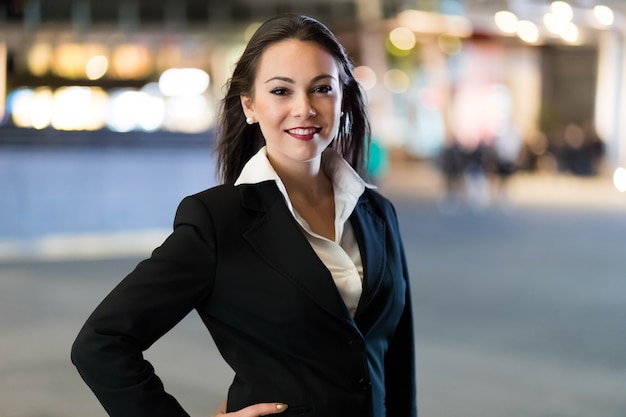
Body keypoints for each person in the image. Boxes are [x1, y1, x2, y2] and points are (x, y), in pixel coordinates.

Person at [71, 13, 417, 417]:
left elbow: (397, 364)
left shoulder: (377, 212)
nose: (304, 108)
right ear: (250, 105)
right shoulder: (217, 221)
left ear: (342, 99)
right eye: (281, 91)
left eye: (321, 88)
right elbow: (101, 342)